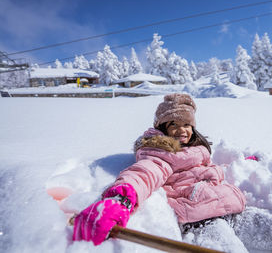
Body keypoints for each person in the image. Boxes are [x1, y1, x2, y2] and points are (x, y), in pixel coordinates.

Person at [72, 93, 246, 246]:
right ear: (162, 128)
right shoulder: (160, 152)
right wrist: (120, 199)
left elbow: (200, 171)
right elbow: (143, 174)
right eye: (173, 125)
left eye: (186, 124)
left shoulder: (194, 149)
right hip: (200, 218)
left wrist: (243, 162)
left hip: (230, 208)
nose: (182, 130)